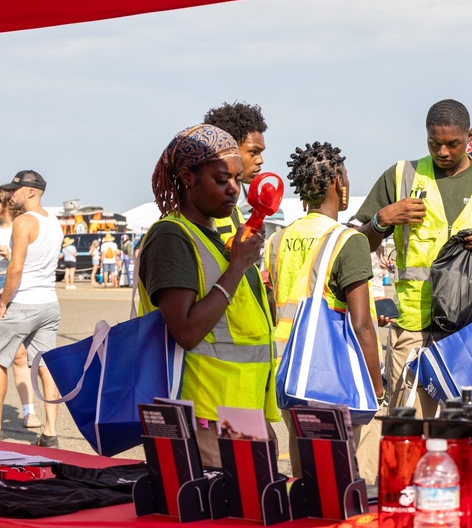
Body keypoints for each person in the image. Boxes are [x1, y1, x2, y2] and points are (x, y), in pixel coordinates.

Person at [355, 99, 472, 417]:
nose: (444, 152)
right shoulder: (401, 176)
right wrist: (381, 220)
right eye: (435, 143)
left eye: (453, 144)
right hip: (413, 329)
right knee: (411, 426)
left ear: (470, 136)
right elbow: (357, 244)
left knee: (471, 426)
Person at [137, 124, 277, 468]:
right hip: (205, 415)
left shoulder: (213, 237)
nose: (233, 191)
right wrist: (238, 267)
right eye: (220, 180)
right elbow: (185, 331)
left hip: (239, 411)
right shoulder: (171, 237)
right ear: (187, 177)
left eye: (237, 181)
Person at [264, 141, 384, 482]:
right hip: (331, 375)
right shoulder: (349, 240)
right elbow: (360, 324)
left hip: (287, 372)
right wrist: (376, 386)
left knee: (305, 478)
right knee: (339, 481)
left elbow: (276, 304)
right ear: (337, 183)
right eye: (344, 175)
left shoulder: (278, 240)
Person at [0, 170, 63, 445]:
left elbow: (16, 266)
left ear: (30, 191)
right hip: (49, 302)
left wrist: (4, 301)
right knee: (45, 365)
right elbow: (39, 266)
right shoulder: (55, 222)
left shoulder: (23, 221)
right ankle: (50, 431)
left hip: (23, 303)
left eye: (14, 190)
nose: (10, 195)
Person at [0, 188, 40, 430]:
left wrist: (9, 253)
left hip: (11, 284)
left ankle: (28, 411)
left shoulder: (21, 225)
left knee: (19, 354)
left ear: (6, 202)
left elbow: (25, 262)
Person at [203, 102, 268, 230]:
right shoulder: (198, 213)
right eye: (253, 152)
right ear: (229, 150)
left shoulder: (233, 209)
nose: (260, 160)